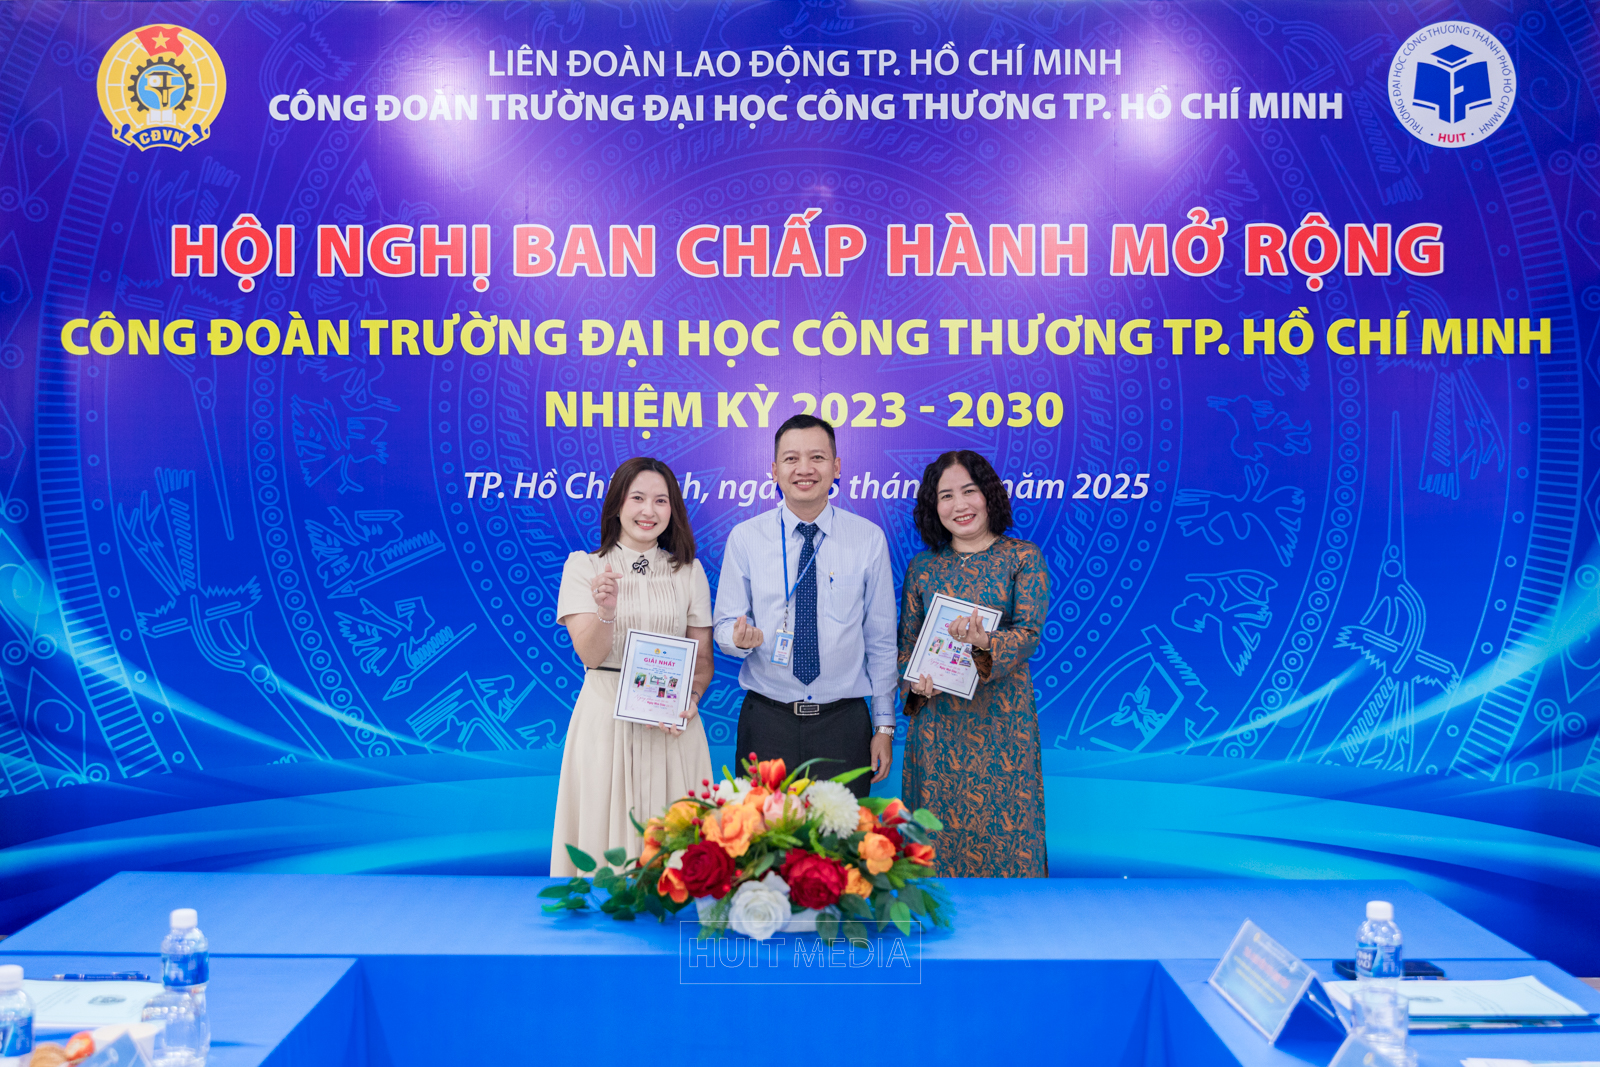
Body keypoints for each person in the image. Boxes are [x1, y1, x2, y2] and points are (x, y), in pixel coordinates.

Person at [714, 414, 897, 798]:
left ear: (836, 466)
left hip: (844, 725)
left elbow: (881, 641)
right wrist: (737, 639)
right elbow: (724, 626)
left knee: (842, 836)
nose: (804, 469)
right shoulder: (746, 538)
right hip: (767, 722)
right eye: (791, 458)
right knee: (762, 835)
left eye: (817, 457)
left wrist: (883, 726)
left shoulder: (868, 539)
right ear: (774, 469)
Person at [550, 457, 714, 876]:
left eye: (661, 500)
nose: (648, 511)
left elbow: (701, 661)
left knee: (677, 859)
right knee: (604, 856)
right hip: (606, 720)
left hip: (672, 726)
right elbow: (590, 655)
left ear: (672, 509)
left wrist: (692, 699)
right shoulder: (584, 567)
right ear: (617, 504)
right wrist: (606, 611)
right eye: (637, 498)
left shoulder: (689, 572)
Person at [899, 450, 1050, 876]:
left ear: (988, 495)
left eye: (969, 491)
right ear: (934, 507)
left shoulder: (1023, 558)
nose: (960, 505)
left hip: (1003, 726)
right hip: (937, 729)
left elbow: (1029, 633)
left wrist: (984, 642)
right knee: (934, 845)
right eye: (946, 496)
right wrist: (913, 681)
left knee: (1009, 839)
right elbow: (906, 647)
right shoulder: (923, 568)